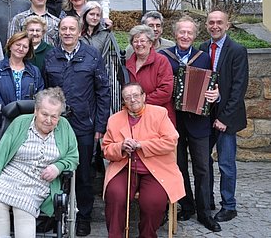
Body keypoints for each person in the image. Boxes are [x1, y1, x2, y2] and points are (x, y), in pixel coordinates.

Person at [0, 87, 79, 238]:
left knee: (23, 206)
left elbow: (73, 158)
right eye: (44, 114)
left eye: (54, 116)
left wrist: (58, 167)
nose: (48, 120)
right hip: (9, 177)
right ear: (36, 110)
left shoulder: (64, 127)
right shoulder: (20, 123)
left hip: (38, 182)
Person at [43, 16, 110, 236]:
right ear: (59, 32)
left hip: (84, 125)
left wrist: (100, 125)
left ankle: (83, 216)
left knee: (82, 172)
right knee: (52, 167)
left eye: (72, 28)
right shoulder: (51, 56)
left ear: (80, 31)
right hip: (56, 124)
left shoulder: (91, 56)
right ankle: (54, 215)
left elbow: (103, 92)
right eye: (64, 29)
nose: (68, 32)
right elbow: (44, 90)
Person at [160, 16, 221, 232]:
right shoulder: (163, 57)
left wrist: (216, 93)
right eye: (181, 32)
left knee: (202, 168)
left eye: (189, 33)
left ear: (195, 36)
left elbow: (213, 83)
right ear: (175, 34)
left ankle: (205, 213)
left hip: (199, 122)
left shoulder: (203, 58)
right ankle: (186, 205)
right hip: (173, 122)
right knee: (178, 167)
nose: (185, 36)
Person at [102, 82, 185, 238]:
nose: (132, 100)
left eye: (136, 95)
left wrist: (141, 145)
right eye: (128, 97)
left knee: (153, 201)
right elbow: (106, 150)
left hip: (156, 169)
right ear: (123, 101)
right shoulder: (114, 119)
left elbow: (171, 141)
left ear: (144, 96)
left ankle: (147, 235)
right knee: (115, 194)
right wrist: (120, 147)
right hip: (125, 167)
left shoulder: (159, 113)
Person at [200, 10, 248, 222]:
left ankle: (229, 206)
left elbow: (239, 88)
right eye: (211, 22)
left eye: (220, 22)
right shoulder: (202, 48)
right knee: (204, 163)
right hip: (205, 118)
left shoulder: (237, 50)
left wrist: (224, 118)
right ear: (206, 25)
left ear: (227, 25)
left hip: (226, 119)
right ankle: (206, 201)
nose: (215, 26)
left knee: (226, 164)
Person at [0, 31, 44, 147]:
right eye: (18, 44)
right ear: (10, 45)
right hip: (0, 122)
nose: (21, 48)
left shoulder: (34, 71)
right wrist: (7, 116)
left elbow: (40, 98)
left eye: (25, 46)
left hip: (27, 124)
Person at [125, 24, 175, 126]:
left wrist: (140, 103)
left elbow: (165, 91)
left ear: (150, 43)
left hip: (158, 116)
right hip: (134, 117)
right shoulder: (127, 64)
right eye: (135, 41)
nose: (139, 44)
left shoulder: (161, 61)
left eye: (142, 41)